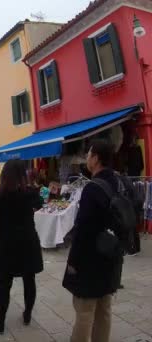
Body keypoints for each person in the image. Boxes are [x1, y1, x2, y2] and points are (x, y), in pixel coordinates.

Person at [63, 140, 125, 342]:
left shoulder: (92, 189)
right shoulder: (119, 182)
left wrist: (73, 263)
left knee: (84, 312)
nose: (87, 158)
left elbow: (83, 231)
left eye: (89, 154)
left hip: (90, 261)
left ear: (96, 159)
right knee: (104, 310)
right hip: (112, 256)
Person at [0, 159, 44, 334]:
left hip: (7, 243)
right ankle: (27, 314)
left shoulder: (1, 193)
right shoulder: (30, 192)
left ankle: (0, 322)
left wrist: (0, 189)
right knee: (29, 279)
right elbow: (40, 203)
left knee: (5, 283)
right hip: (27, 242)